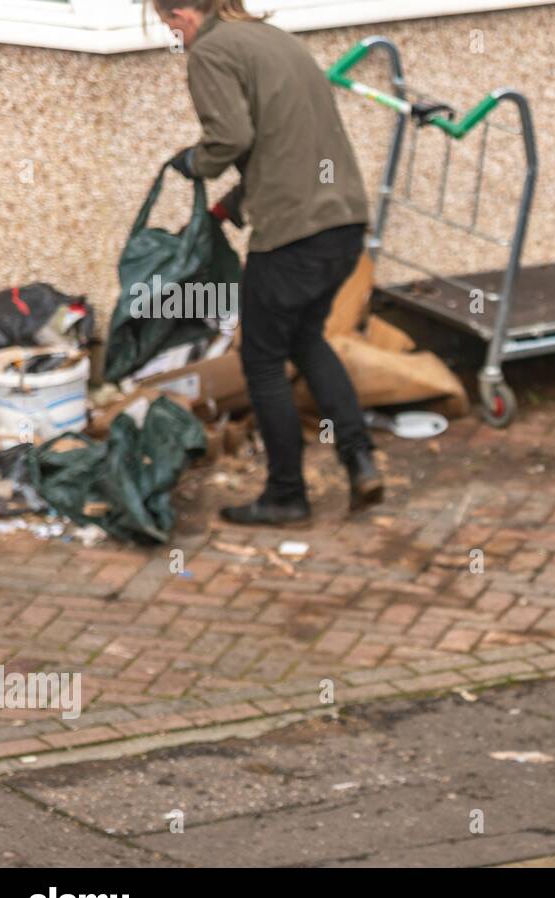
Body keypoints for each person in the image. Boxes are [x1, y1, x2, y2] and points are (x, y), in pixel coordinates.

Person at [152, 0, 383, 525]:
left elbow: (232, 138)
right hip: (343, 222)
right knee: (305, 339)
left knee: (261, 360)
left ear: (182, 15)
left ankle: (285, 494)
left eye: (168, 24)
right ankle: (360, 459)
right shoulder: (277, 40)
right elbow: (289, 141)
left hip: (292, 235)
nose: (173, 35)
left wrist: (195, 163)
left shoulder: (209, 51)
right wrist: (234, 204)